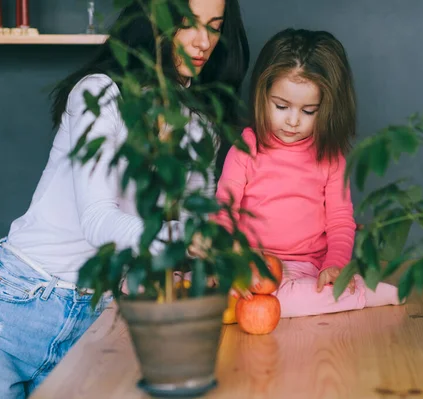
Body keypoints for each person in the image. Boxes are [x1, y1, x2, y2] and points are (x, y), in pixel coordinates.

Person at [0, 1, 249, 397]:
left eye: (215, 28)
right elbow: (100, 222)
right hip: (20, 301)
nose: (203, 42)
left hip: (99, 317)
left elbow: (191, 221)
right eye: (187, 24)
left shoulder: (200, 125)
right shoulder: (99, 93)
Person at [214, 28, 401, 319]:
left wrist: (334, 265)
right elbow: (224, 211)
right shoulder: (245, 148)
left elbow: (340, 220)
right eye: (281, 106)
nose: (292, 121)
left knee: (297, 297)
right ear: (262, 95)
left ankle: (362, 292)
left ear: (326, 109)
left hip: (304, 268)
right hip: (250, 264)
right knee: (214, 295)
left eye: (308, 111)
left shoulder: (330, 157)